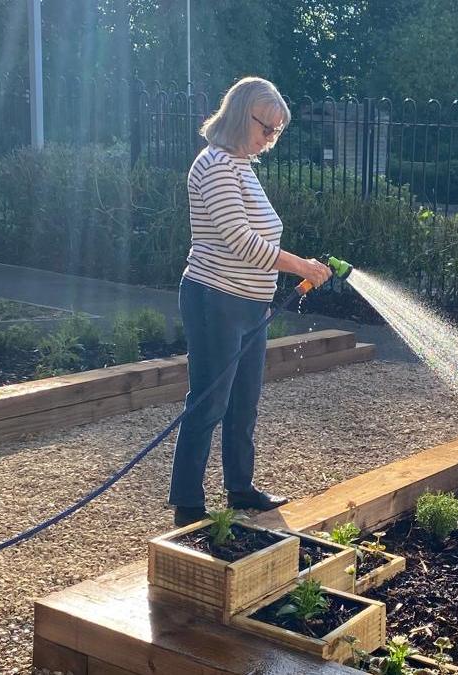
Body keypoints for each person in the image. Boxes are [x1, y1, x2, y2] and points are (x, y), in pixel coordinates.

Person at [168, 76, 331, 526]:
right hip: (214, 298)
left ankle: (240, 489)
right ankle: (187, 505)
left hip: (250, 304)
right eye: (267, 128)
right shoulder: (214, 165)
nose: (270, 139)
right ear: (242, 115)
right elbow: (239, 241)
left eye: (276, 131)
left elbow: (255, 236)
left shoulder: (241, 166)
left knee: (244, 403)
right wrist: (299, 266)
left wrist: (289, 269)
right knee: (209, 401)